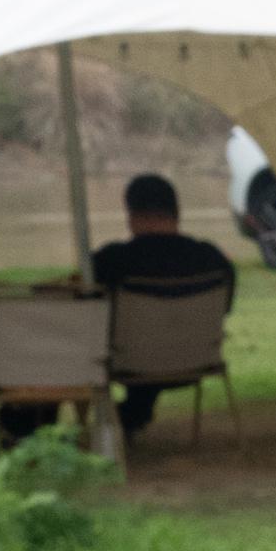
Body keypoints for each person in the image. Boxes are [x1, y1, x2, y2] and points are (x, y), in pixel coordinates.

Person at [86, 172, 237, 439]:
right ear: (177, 213)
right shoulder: (213, 259)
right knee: (156, 337)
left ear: (131, 215)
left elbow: (85, 309)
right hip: (197, 360)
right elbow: (225, 309)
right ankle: (133, 415)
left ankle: (26, 422)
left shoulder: (111, 261)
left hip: (130, 363)